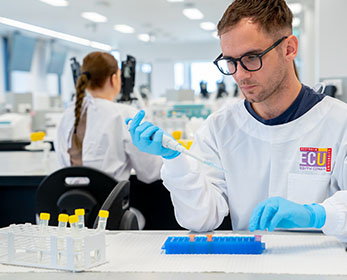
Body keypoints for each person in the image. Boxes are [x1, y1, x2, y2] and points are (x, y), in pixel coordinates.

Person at [127, 0, 347, 240]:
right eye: (230, 62)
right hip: (248, 264)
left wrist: (317, 215)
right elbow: (200, 219)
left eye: (252, 57)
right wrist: (175, 161)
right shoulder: (220, 128)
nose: (240, 74)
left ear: (289, 49)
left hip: (321, 270)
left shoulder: (338, 122)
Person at [54, 51, 162, 185]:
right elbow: (150, 173)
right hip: (110, 204)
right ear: (114, 78)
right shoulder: (125, 115)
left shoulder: (68, 114)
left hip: (67, 203)